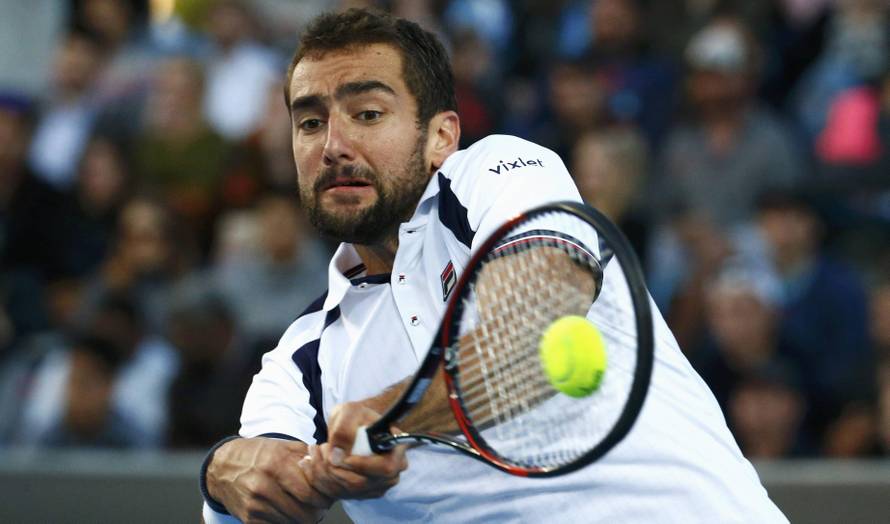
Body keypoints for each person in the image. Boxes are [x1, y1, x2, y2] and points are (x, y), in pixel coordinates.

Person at [200, 8, 787, 524]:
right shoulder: (302, 360)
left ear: (441, 137)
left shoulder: (496, 173)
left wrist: (389, 420)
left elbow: (529, 337)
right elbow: (256, 481)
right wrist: (226, 471)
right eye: (309, 122)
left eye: (368, 113)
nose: (332, 144)